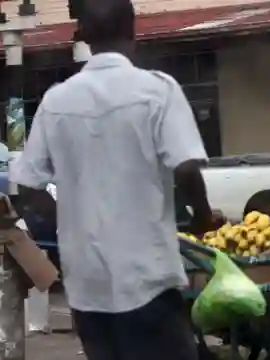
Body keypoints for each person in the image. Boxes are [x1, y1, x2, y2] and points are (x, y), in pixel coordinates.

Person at [8, 0, 219, 358]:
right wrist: (201, 217)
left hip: (87, 286)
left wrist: (69, 224)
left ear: (84, 37)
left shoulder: (56, 101)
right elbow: (185, 168)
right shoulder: (157, 90)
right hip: (148, 279)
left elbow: (27, 185)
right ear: (134, 34)